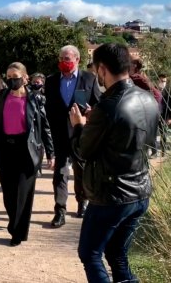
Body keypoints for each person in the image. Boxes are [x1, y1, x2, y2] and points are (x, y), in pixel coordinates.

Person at [69, 43, 158, 283]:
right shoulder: (148, 99)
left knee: (90, 253)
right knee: (118, 254)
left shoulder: (108, 106)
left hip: (112, 194)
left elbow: (82, 151)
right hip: (140, 190)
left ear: (102, 70)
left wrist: (78, 125)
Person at [0, 62, 54, 246]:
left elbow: (45, 127)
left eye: (15, 76)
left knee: (23, 193)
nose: (12, 80)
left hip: (27, 150)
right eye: (8, 77)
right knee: (8, 191)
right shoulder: (1, 96)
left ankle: (18, 232)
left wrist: (51, 153)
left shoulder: (36, 99)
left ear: (25, 78)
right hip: (6, 148)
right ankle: (14, 223)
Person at [44, 45, 101, 227]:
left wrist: (92, 112)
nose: (64, 62)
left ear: (77, 60)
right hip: (59, 134)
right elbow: (48, 109)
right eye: (61, 58)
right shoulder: (51, 80)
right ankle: (60, 210)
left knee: (81, 170)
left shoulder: (89, 79)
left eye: (67, 59)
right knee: (60, 173)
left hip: (81, 134)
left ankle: (82, 203)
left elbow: (98, 103)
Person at [28, 72, 47, 177]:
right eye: (34, 81)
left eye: (38, 82)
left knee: (41, 146)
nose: (36, 83)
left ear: (42, 83)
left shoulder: (45, 94)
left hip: (43, 123)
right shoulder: (28, 93)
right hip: (32, 122)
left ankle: (39, 166)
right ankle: (33, 166)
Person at [155, 73, 171, 157]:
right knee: (154, 133)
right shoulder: (154, 90)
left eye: (164, 81)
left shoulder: (169, 91)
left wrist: (170, 117)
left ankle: (163, 150)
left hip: (164, 115)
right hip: (155, 114)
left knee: (163, 133)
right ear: (158, 80)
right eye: (161, 81)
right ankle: (154, 151)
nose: (163, 82)